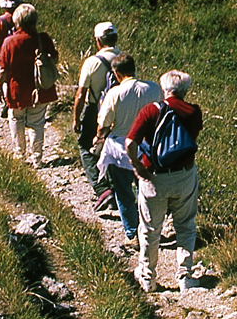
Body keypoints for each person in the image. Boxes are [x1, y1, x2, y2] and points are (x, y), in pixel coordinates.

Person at [127, 69, 204, 292]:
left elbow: (131, 142)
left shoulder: (151, 111)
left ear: (164, 88)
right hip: (184, 175)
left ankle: (147, 277)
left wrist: (137, 166)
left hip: (153, 176)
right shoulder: (194, 112)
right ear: (185, 90)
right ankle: (185, 277)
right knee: (185, 225)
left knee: (150, 228)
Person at [93, 54, 160, 245]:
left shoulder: (115, 93)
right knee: (146, 191)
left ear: (116, 72)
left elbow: (103, 123)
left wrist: (99, 136)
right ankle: (149, 230)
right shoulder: (154, 88)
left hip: (120, 147)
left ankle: (133, 232)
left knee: (123, 192)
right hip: (146, 145)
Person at [0, 2, 58, 165]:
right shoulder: (43, 39)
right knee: (37, 122)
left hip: (17, 90)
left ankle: (19, 155)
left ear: (17, 21)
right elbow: (54, 59)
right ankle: (37, 158)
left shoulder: (9, 42)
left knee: (16, 119)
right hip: (40, 88)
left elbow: (3, 69)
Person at [72, 22, 122, 200]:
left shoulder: (92, 62)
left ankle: (102, 189)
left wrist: (76, 119)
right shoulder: (124, 59)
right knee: (113, 148)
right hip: (120, 109)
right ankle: (117, 188)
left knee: (86, 146)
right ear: (115, 38)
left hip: (95, 109)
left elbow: (80, 94)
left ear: (98, 41)